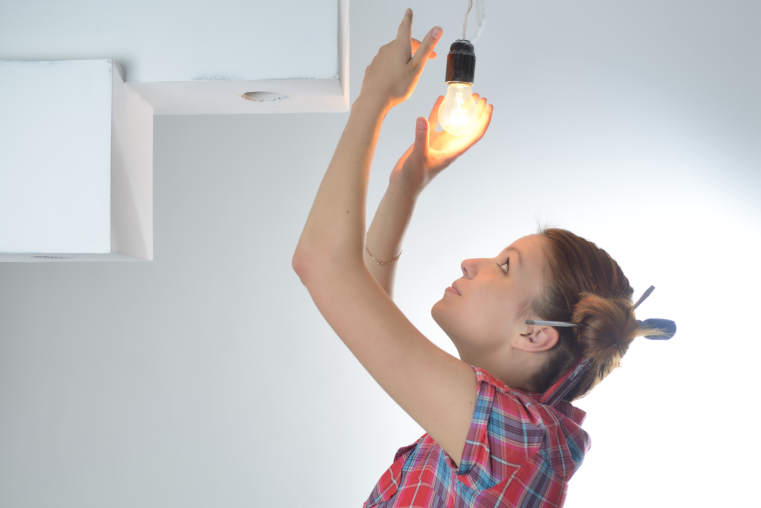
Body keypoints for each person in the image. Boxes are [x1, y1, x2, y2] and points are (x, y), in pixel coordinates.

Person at [292, 9, 672, 508]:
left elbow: (322, 263)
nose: (473, 262)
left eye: (505, 265)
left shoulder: (519, 446)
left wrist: (374, 99)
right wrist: (408, 184)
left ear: (535, 334)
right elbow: (356, 294)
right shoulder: (506, 439)